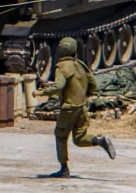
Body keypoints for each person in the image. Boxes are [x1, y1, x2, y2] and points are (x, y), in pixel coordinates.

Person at [33, 37, 116, 178]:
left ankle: (64, 169)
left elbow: (59, 86)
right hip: (82, 106)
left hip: (69, 108)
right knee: (79, 138)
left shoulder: (61, 67)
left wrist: (41, 92)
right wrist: (84, 94)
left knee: (60, 135)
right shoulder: (80, 65)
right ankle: (99, 140)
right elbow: (93, 83)